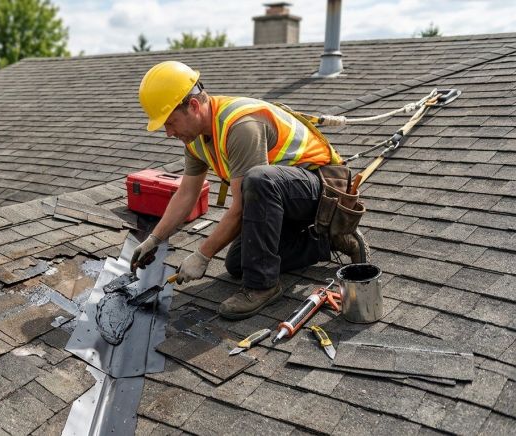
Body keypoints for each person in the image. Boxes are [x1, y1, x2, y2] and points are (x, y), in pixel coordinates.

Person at [130, 61, 366, 320]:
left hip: (323, 191)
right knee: (239, 262)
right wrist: (155, 239)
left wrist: (202, 255)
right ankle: (328, 241)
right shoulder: (195, 138)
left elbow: (242, 205)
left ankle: (263, 287)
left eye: (171, 122)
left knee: (258, 179)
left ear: (194, 106)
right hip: (281, 199)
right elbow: (186, 194)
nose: (168, 133)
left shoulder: (241, 126)